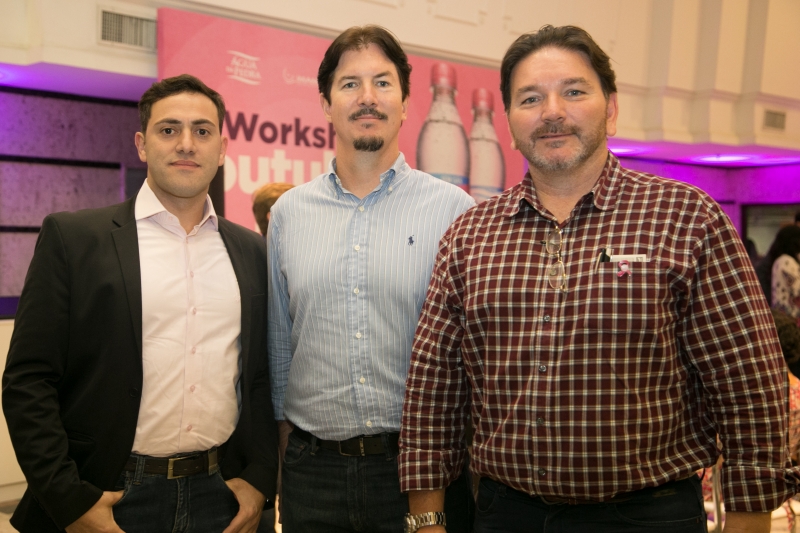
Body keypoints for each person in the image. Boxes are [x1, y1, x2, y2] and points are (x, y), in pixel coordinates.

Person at [398, 25, 795, 533]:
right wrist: (426, 518)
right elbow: (434, 391)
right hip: (505, 515)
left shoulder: (686, 218)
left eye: (574, 91)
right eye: (530, 98)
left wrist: (748, 521)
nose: (552, 111)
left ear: (611, 108)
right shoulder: (469, 236)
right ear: (509, 121)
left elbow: (748, 386)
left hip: (649, 516)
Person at [2, 74, 278, 533]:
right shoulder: (74, 239)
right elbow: (28, 381)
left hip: (221, 497)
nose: (186, 144)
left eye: (202, 131)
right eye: (168, 130)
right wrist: (69, 500)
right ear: (142, 144)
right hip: (108, 496)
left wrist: (259, 480)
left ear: (222, 148)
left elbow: (261, 377)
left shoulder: (251, 250)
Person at [267, 25, 475, 533]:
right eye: (349, 84)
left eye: (383, 83)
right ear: (326, 103)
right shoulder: (289, 213)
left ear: (406, 103)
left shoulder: (454, 211)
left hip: (421, 473)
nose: (367, 98)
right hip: (311, 475)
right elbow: (279, 346)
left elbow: (474, 354)